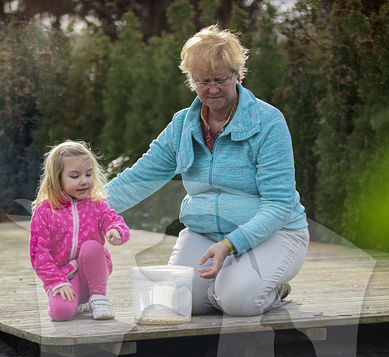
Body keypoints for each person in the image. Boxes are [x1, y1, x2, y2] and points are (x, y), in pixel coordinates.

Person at [107, 25, 309, 317]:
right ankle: (233, 282)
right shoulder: (182, 125)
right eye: (203, 81)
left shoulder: (268, 122)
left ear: (237, 75)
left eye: (220, 80)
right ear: (192, 80)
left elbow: (278, 205)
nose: (212, 89)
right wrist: (80, 207)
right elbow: (141, 175)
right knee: (181, 303)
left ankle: (268, 288)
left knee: (239, 301)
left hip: (275, 233)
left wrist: (230, 245)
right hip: (205, 233)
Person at [30, 140, 130, 321]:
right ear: (57, 177)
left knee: (91, 246)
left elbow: (115, 221)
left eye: (88, 174)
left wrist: (116, 230)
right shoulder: (44, 211)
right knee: (60, 314)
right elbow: (38, 253)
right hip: (64, 278)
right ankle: (77, 302)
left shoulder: (97, 204)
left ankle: (99, 298)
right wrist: (56, 281)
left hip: (93, 273)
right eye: (75, 176)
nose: (84, 181)